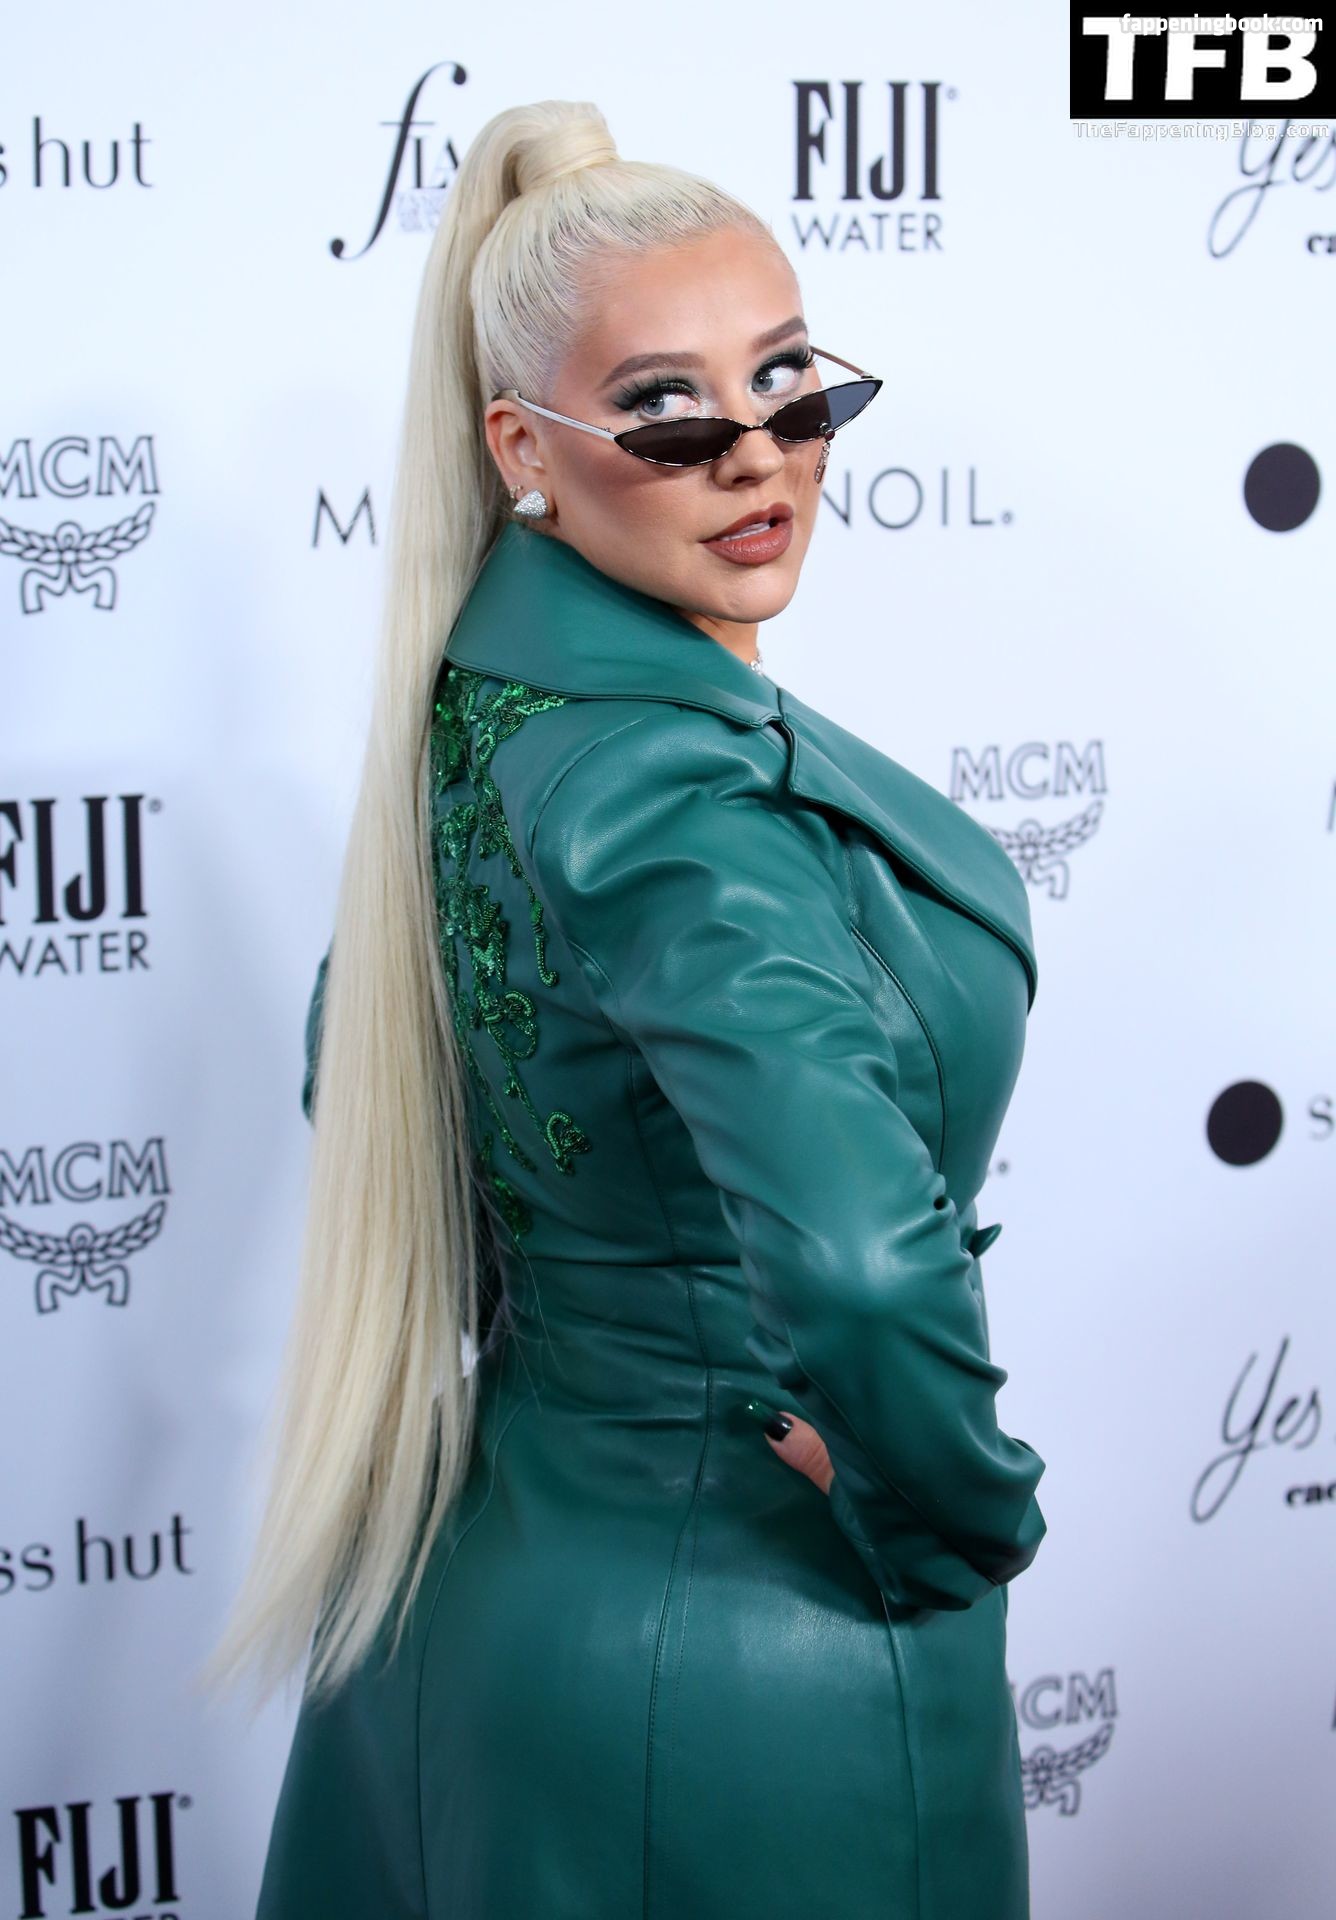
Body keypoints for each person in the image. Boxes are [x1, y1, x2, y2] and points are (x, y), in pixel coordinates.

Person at [205, 98, 1049, 1920]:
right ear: (526, 448)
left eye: (791, 386)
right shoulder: (672, 796)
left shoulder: (477, 703)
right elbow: (858, 1263)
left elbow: (358, 1081)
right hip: (744, 1672)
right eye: (669, 413)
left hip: (475, 1598)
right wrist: (953, 1521)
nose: (759, 460)